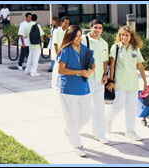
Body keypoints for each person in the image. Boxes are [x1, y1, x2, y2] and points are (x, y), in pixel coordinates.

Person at [57, 25, 95, 157]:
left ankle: (70, 131)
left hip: (83, 88)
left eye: (80, 36)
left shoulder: (84, 49)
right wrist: (79, 72)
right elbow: (61, 70)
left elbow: (93, 63)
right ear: (70, 36)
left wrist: (90, 71)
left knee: (85, 116)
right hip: (68, 89)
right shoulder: (66, 50)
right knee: (72, 118)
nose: (79, 38)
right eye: (76, 36)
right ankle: (77, 145)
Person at [105, 26, 149, 141]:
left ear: (131, 37)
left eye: (126, 35)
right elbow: (112, 66)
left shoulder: (135, 49)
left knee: (131, 108)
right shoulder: (115, 48)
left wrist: (145, 82)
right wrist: (111, 81)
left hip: (133, 83)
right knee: (118, 106)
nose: (124, 37)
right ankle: (107, 119)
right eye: (122, 35)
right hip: (120, 82)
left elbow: (140, 65)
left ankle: (130, 131)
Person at [81, 19, 109, 144]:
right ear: (90, 27)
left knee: (99, 107)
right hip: (86, 79)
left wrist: (105, 74)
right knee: (83, 107)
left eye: (100, 28)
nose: (97, 30)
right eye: (95, 27)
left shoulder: (104, 43)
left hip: (99, 79)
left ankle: (99, 133)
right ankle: (73, 127)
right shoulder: (83, 40)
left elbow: (104, 60)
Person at [51, 16, 70, 88]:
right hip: (58, 53)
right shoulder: (57, 31)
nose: (67, 24)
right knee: (56, 69)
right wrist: (57, 54)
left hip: (66, 53)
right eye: (65, 23)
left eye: (68, 23)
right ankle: (54, 84)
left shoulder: (68, 31)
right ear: (61, 22)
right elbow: (55, 43)